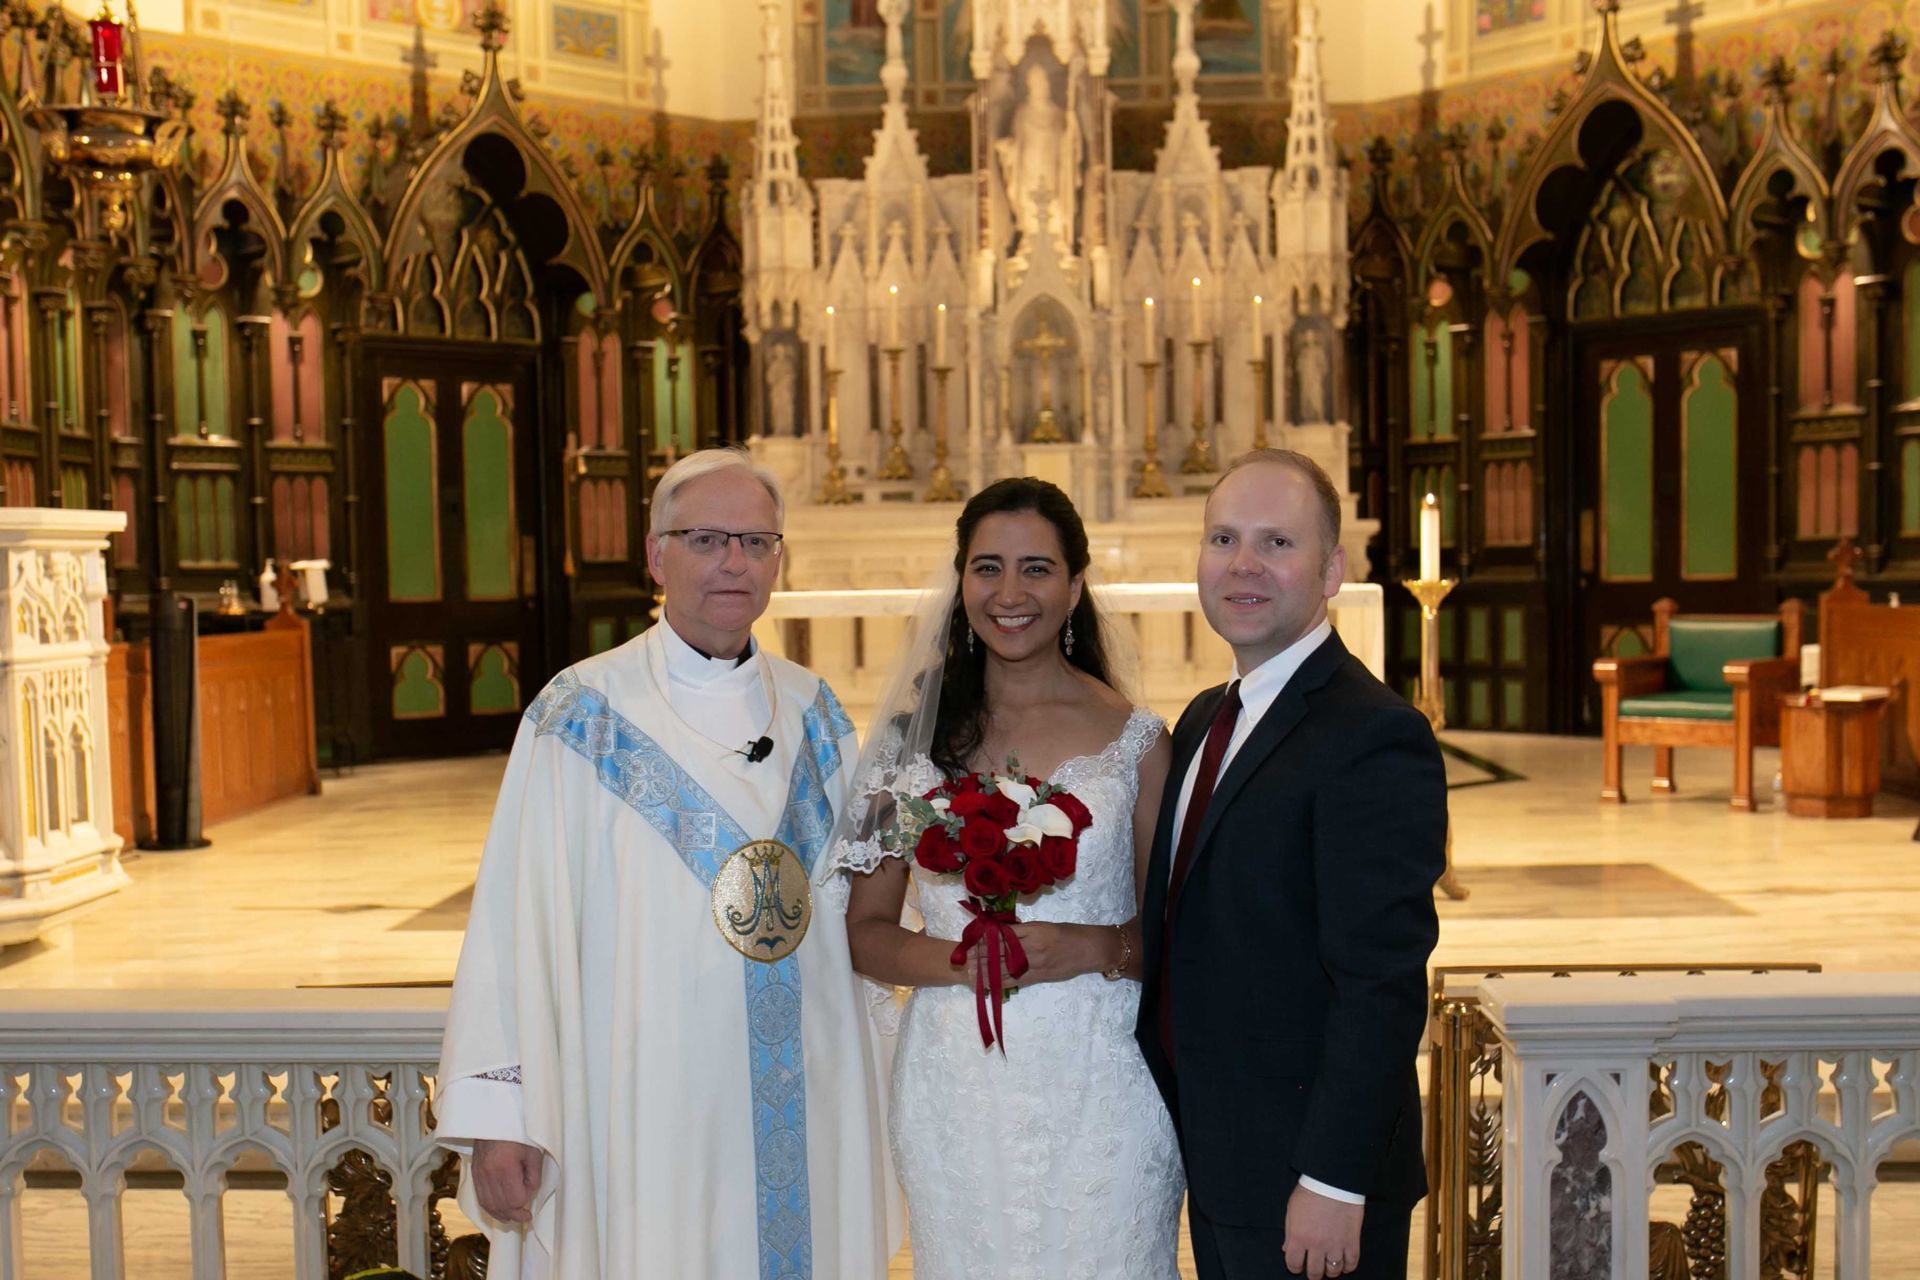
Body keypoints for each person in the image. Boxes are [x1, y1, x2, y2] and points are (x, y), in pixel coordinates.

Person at [435, 449, 899, 1279]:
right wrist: (502, 1114)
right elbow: (512, 921)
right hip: (642, 1102)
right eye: (708, 539)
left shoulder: (817, 713)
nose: (735, 563)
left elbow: (856, 915)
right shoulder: (579, 715)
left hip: (807, 1090)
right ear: (655, 555)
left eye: (757, 543)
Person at [823, 477, 1184, 1278]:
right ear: (960, 583)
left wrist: (1087, 946)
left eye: (1036, 569)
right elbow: (866, 932)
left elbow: (1177, 930)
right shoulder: (910, 747)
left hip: (1104, 1075)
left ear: (1076, 585)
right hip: (958, 1078)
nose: (1010, 593)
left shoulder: (1136, 744)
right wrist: (961, 961)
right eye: (987, 567)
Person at [1135, 449, 1445, 1280]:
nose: (1243, 565)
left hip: (1310, 1178)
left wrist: (1334, 1178)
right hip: (1228, 1152)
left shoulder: (1373, 735)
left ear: (1333, 568)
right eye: (1223, 538)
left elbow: (1382, 981)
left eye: (1278, 543)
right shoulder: (1206, 719)